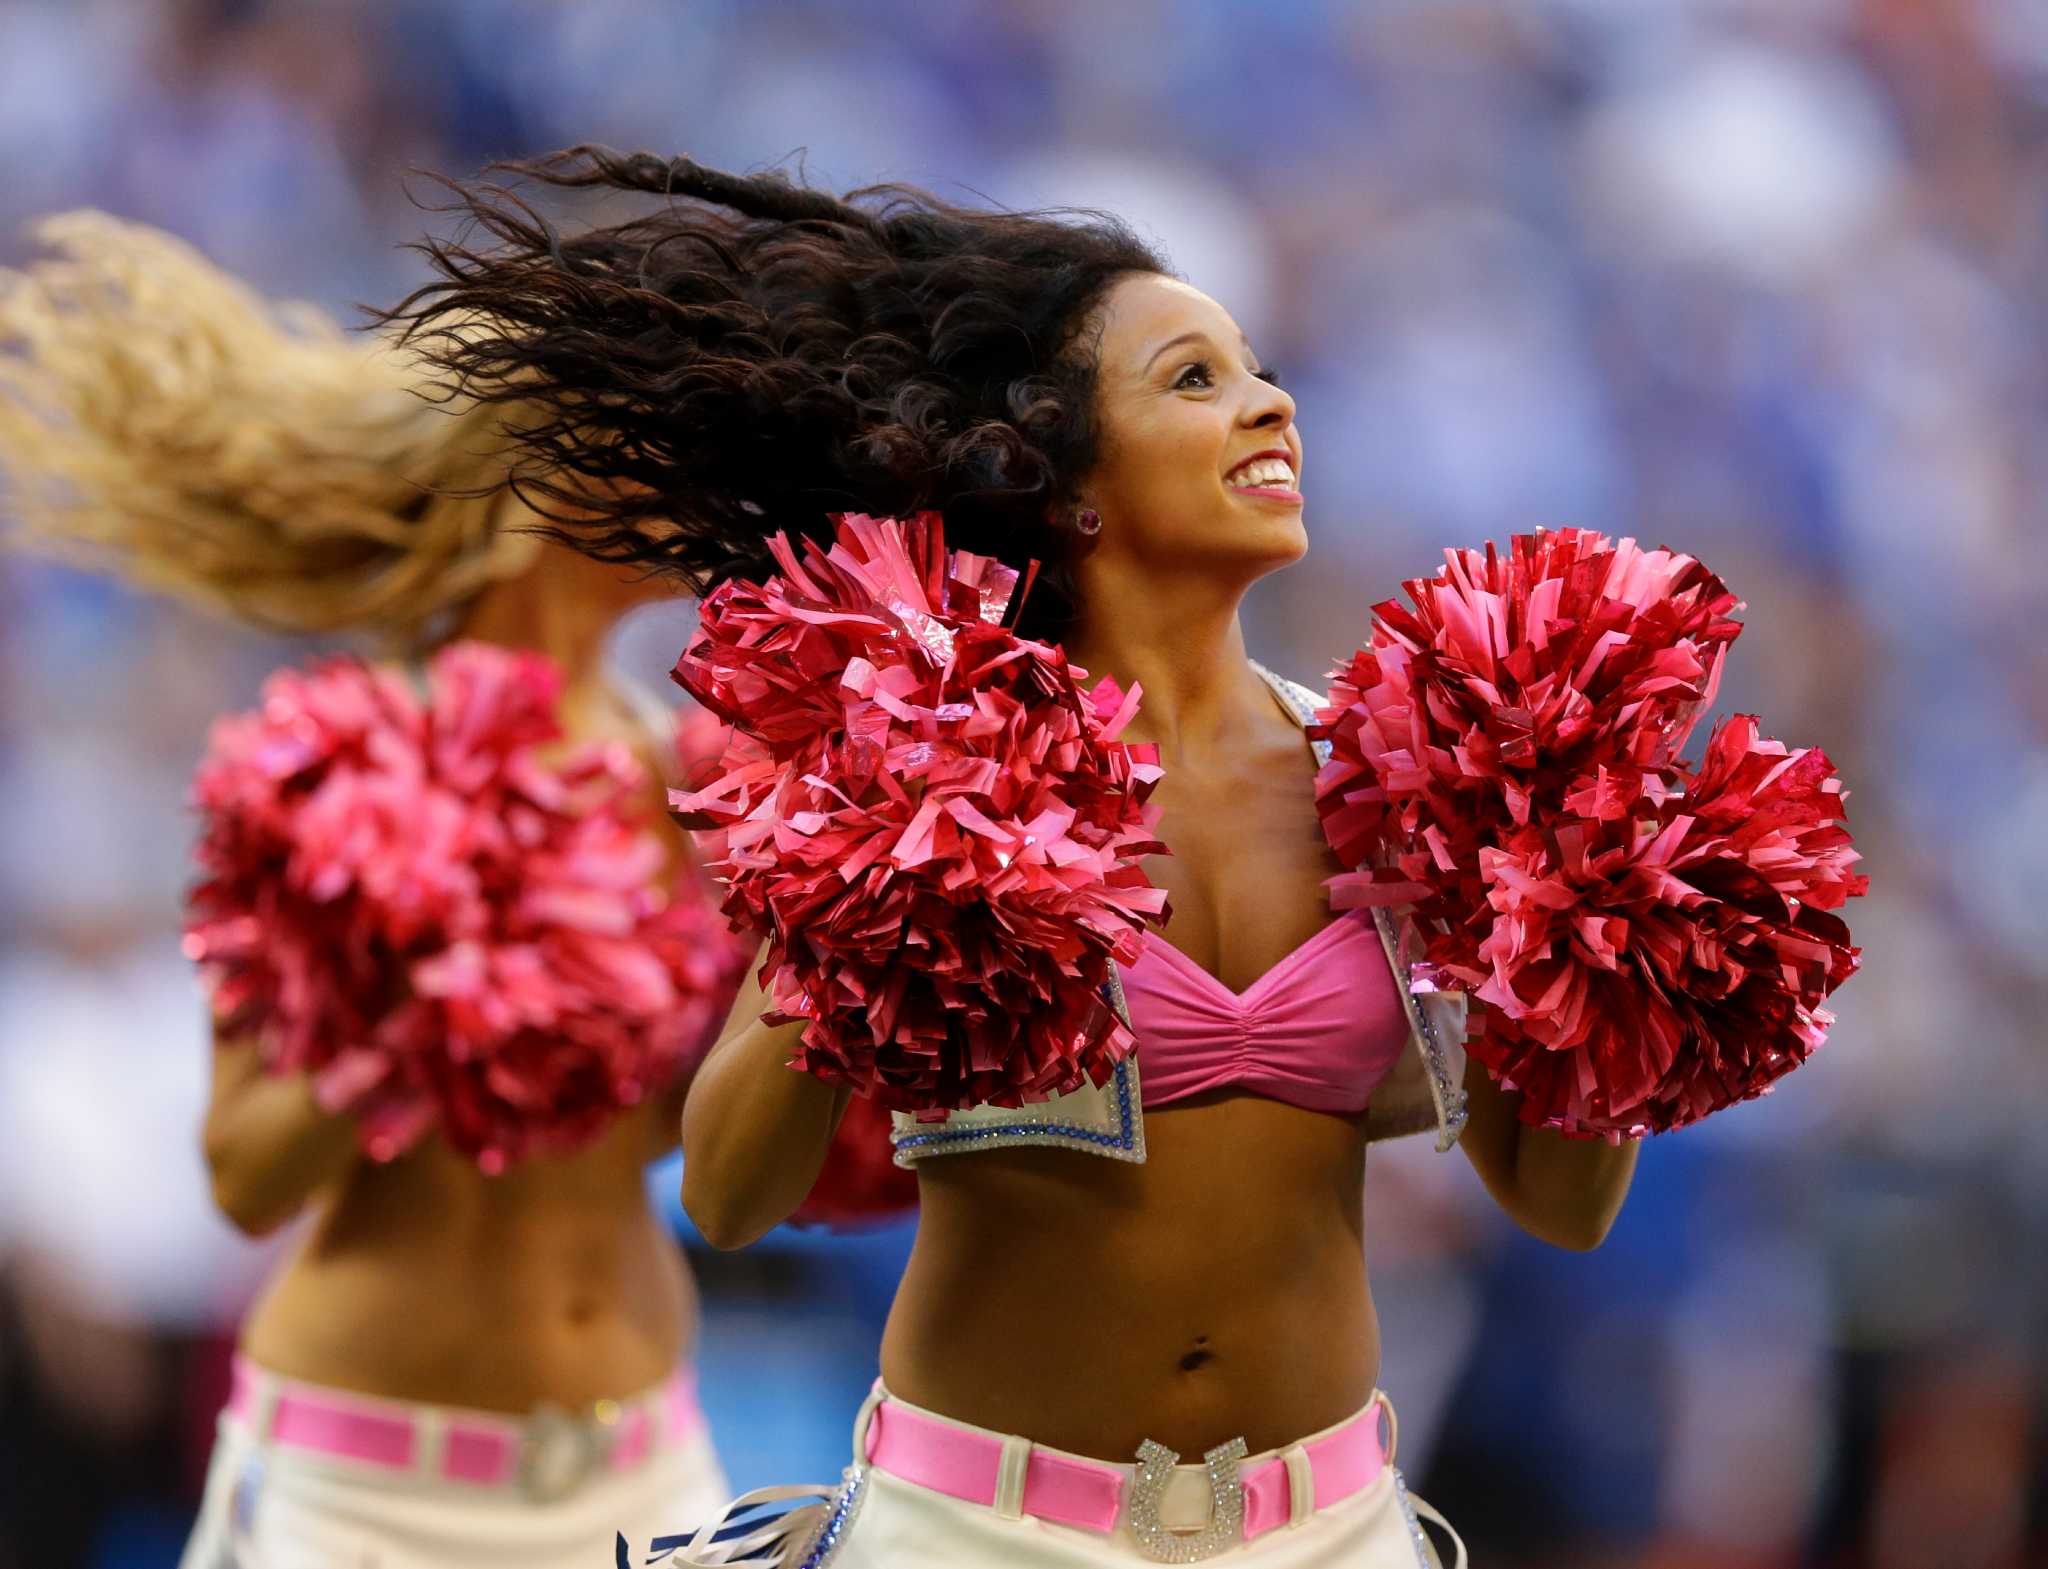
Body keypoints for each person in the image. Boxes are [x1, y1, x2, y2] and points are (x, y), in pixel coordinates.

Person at [386, 148, 1643, 1567]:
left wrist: (1590, 910)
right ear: (1071, 484)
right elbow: (731, 1194)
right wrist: (861, 887)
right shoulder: (932, 769)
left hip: (1330, 1527)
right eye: (1195, 379)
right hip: (982, 1529)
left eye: (1260, 369)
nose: (1269, 401)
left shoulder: (1398, 773)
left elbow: (1562, 1200)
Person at [0, 213, 738, 1568]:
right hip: (372, 1491)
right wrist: (411, 1013)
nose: (698, 466)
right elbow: (243, 1173)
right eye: (653, 423)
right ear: (531, 469)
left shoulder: (686, 774)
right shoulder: (337, 757)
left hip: (650, 1466)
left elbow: (638, 1143)